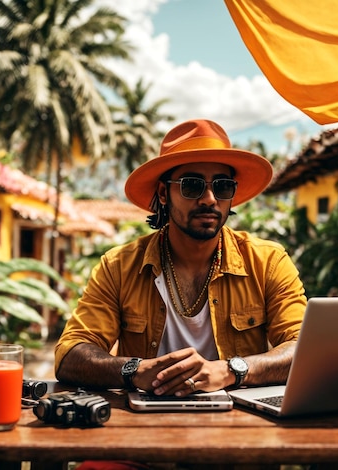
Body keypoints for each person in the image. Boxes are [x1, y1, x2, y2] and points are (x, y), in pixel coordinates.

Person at [55, 118, 307, 397]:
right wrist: (135, 371)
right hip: (143, 424)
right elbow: (70, 354)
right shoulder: (119, 267)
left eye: (222, 187)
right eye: (191, 185)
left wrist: (230, 371)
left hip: (239, 424)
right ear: (164, 193)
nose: (210, 199)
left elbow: (305, 347)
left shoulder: (267, 262)